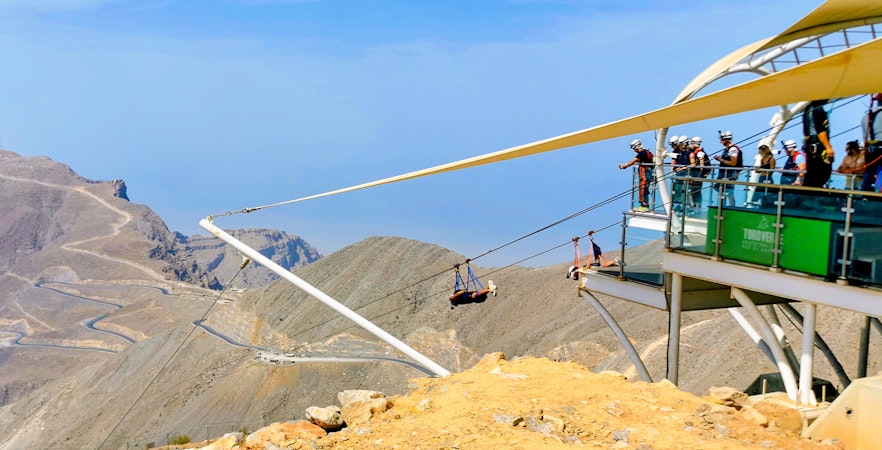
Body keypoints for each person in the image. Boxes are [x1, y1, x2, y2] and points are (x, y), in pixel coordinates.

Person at [802, 99, 835, 188]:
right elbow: (821, 131)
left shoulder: (808, 109)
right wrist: (828, 147)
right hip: (818, 146)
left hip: (810, 146)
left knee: (812, 173)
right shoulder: (818, 110)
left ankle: (806, 195)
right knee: (823, 172)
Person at [619, 139, 654, 211]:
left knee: (643, 189)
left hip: (645, 174)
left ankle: (644, 205)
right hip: (648, 173)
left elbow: (633, 161)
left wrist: (625, 165)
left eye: (634, 148)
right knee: (645, 189)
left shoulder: (642, 153)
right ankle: (644, 205)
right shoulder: (648, 152)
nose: (634, 150)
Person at [713, 130, 743, 205]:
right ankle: (723, 206)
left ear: (727, 139)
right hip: (724, 173)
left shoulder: (733, 149)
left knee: (728, 191)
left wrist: (721, 159)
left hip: (730, 173)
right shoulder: (727, 149)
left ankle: (730, 207)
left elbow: (733, 163)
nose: (721, 142)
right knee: (720, 188)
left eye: (722, 140)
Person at [861, 93, 882, 192]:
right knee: (881, 172)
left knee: (869, 172)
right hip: (880, 148)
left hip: (870, 149)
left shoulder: (866, 116)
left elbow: (864, 136)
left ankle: (865, 194)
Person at [745, 140, 776, 207]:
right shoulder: (763, 158)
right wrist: (758, 170)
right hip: (761, 178)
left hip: (768, 179)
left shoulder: (771, 159)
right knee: (757, 193)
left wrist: (763, 170)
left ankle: (767, 206)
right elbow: (761, 169)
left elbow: (771, 170)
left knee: (768, 195)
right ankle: (754, 205)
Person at [687, 136, 710, 213]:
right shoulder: (698, 152)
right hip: (696, 176)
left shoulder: (700, 153)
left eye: (691, 143)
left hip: (697, 176)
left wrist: (699, 175)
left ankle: (696, 208)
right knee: (694, 192)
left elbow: (701, 166)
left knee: (695, 192)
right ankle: (695, 207)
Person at [672, 136, 692, 211]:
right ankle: (678, 206)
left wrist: (682, 168)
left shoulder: (690, 153)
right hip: (680, 175)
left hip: (686, 175)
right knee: (678, 191)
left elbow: (692, 164)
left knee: (685, 192)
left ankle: (687, 208)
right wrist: (675, 169)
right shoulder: (681, 153)